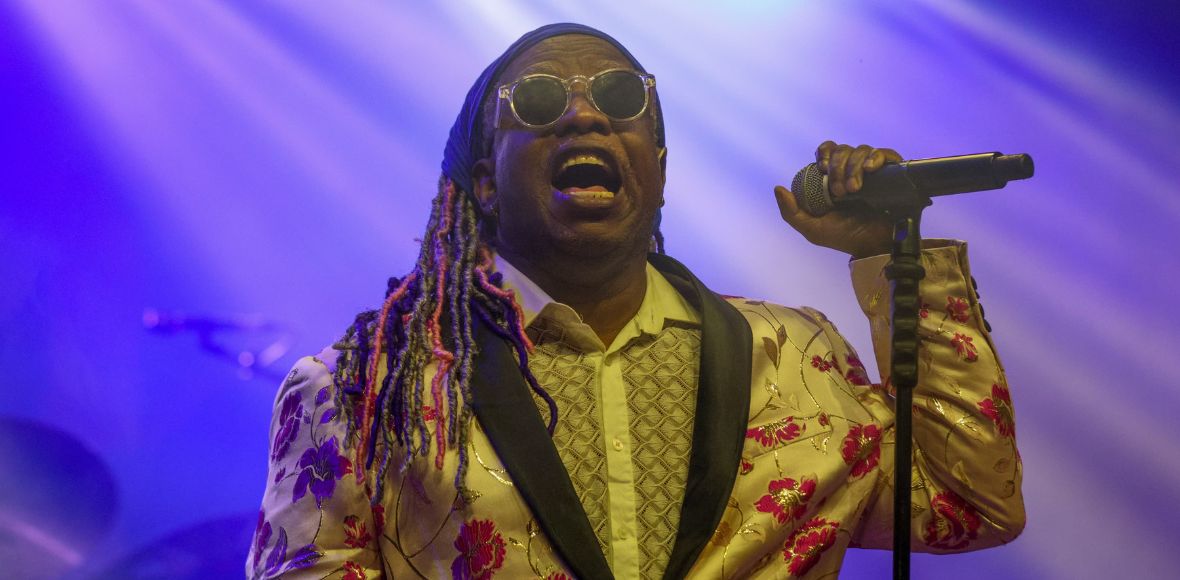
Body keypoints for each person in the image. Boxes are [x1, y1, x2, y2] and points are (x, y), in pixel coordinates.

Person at [247, 23, 1024, 579]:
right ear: (484, 182)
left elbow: (969, 504)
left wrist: (889, 255)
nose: (586, 114)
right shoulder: (362, 390)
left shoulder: (798, 358)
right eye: (539, 101)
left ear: (658, 167)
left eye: (621, 97)